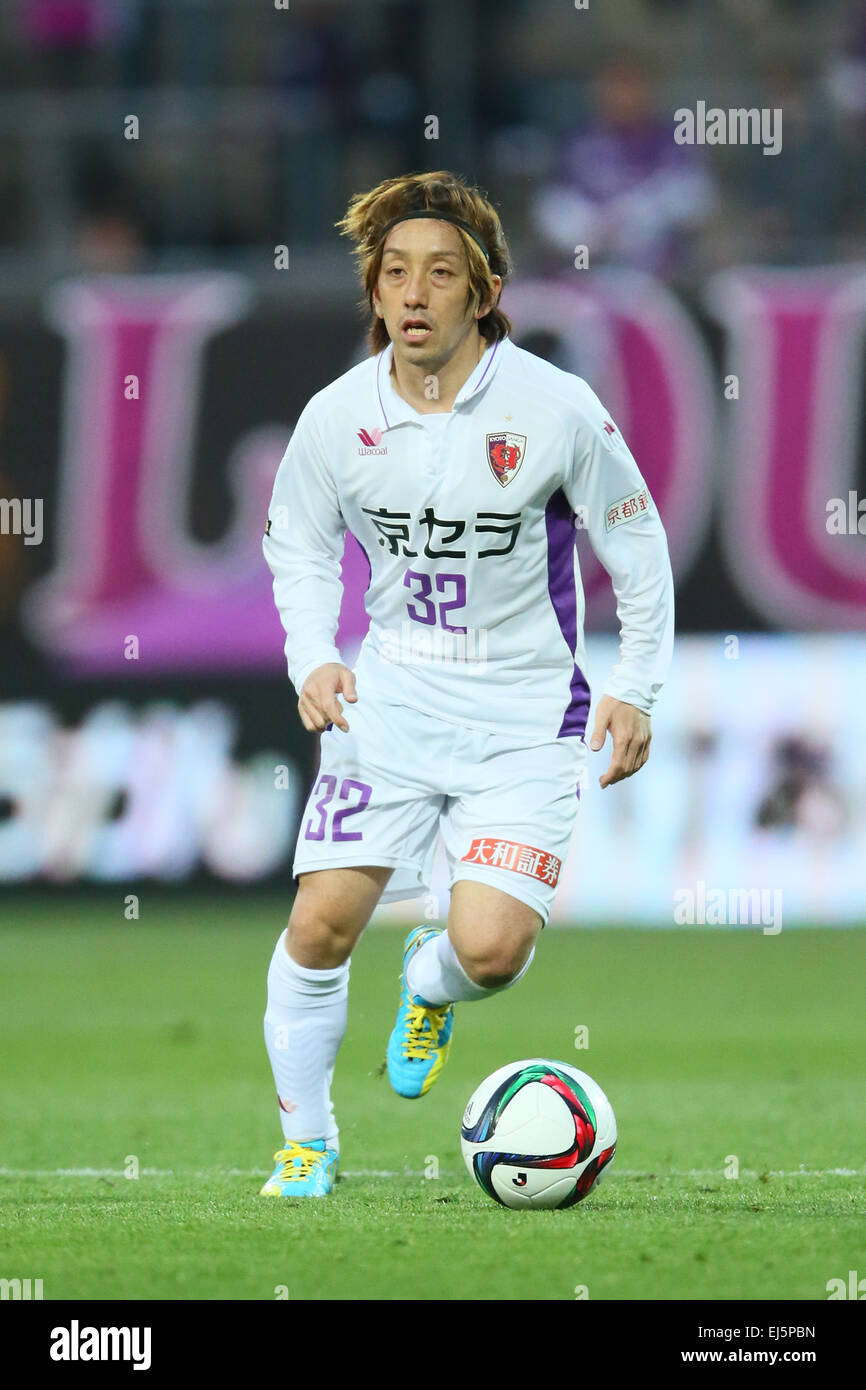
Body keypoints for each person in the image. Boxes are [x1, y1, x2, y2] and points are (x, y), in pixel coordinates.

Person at [259, 170, 674, 1197]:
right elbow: (299, 546)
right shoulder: (334, 417)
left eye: (438, 274)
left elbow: (635, 540)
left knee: (487, 949)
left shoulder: (552, 407)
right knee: (317, 924)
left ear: (483, 292)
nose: (411, 294)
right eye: (393, 272)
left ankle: (429, 981)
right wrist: (311, 652)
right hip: (388, 702)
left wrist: (638, 685)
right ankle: (307, 1143)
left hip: (524, 716)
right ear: (373, 290)